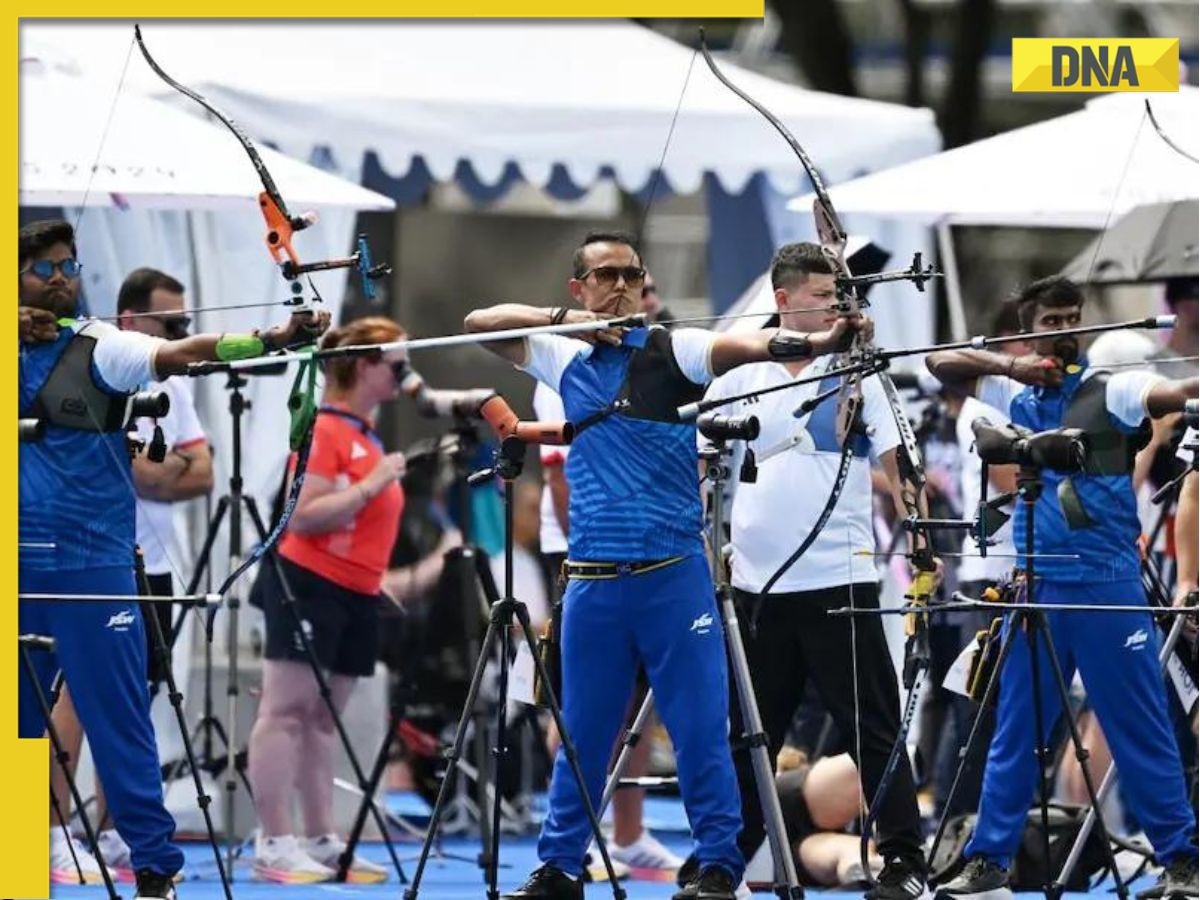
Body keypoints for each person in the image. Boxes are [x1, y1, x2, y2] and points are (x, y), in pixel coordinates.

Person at [464, 230, 866, 900]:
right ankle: (560, 868)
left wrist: (822, 341)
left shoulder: (672, 348)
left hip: (672, 580)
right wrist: (569, 323)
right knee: (584, 736)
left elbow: (750, 345)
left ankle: (716, 867)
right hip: (593, 583)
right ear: (580, 289)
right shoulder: (560, 354)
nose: (620, 286)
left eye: (631, 274)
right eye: (606, 276)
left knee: (700, 729)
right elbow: (479, 324)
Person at [18, 218, 329, 900]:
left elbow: (187, 352)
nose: (63, 277)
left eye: (69, 265)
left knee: (119, 716)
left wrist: (273, 338)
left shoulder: (102, 346)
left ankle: (154, 867)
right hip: (16, 567)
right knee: (16, 722)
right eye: (45, 269)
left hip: (92, 567)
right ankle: (18, 854)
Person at [924, 276, 1199, 900]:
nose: (1066, 329)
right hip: (1038, 588)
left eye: (1073, 318)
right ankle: (990, 861)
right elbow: (937, 361)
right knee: (1017, 729)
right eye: (1051, 320)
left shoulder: (1112, 388)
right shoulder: (1005, 387)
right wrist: (1011, 365)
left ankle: (1184, 861)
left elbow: (1176, 389)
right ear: (1028, 330)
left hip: (1107, 590)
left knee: (1138, 728)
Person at [694, 242, 937, 900]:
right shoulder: (743, 368)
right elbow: (703, 458)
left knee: (873, 728)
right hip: (758, 585)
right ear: (782, 300)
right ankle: (726, 863)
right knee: (751, 732)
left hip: (839, 578)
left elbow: (898, 461)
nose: (835, 306)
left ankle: (905, 861)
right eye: (821, 296)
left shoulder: (856, 371)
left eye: (839, 296)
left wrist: (919, 539)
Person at [46, 267, 217, 883]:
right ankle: (50, 830)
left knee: (129, 703)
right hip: (94, 561)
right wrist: (159, 471)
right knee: (73, 699)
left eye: (183, 324)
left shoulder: (174, 382)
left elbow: (200, 474)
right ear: (130, 323)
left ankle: (114, 830)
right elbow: (148, 473)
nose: (178, 332)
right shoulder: (93, 368)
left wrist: (155, 471)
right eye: (168, 324)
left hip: (156, 564)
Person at [246, 316, 411, 884]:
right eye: (396, 364)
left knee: (321, 721)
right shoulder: (328, 431)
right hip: (308, 584)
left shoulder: (365, 432)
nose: (403, 375)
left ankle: (319, 838)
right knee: (286, 713)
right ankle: (274, 840)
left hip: (356, 592)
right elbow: (306, 516)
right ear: (364, 366)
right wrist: (373, 484)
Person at [532, 273, 685, 882]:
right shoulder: (569, 360)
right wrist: (585, 557)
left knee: (638, 705)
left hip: (645, 553)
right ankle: (579, 831)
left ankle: (628, 833)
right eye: (622, 285)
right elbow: (559, 476)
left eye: (646, 286)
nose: (642, 298)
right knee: (585, 705)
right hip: (582, 553)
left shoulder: (655, 362)